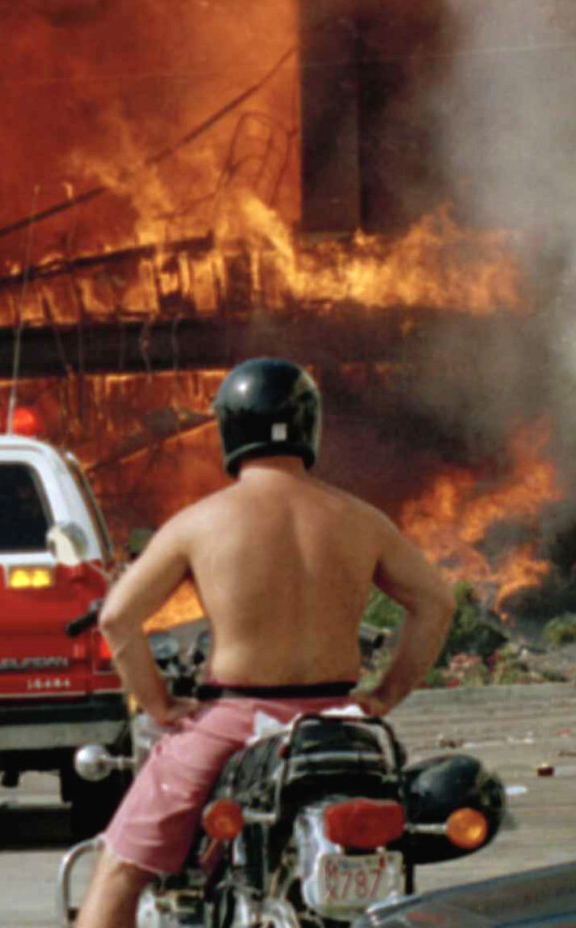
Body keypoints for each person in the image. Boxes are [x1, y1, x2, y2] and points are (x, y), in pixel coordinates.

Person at [80, 358, 456, 928]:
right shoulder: (361, 519)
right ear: (310, 428)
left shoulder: (199, 522)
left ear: (230, 430)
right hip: (343, 724)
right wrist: (384, 695)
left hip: (236, 721)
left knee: (120, 868)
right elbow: (436, 603)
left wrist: (159, 705)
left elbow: (116, 620)